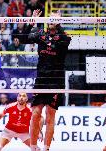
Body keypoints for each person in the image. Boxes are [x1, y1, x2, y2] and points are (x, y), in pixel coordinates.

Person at [22, 9, 71, 151]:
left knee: (50, 115)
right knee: (36, 113)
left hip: (56, 80)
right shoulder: (41, 35)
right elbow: (27, 37)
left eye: (54, 18)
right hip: (41, 79)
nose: (51, 20)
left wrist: (58, 21)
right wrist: (33, 21)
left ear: (60, 21)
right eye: (49, 18)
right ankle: (33, 147)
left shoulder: (64, 37)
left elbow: (63, 43)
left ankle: (46, 148)